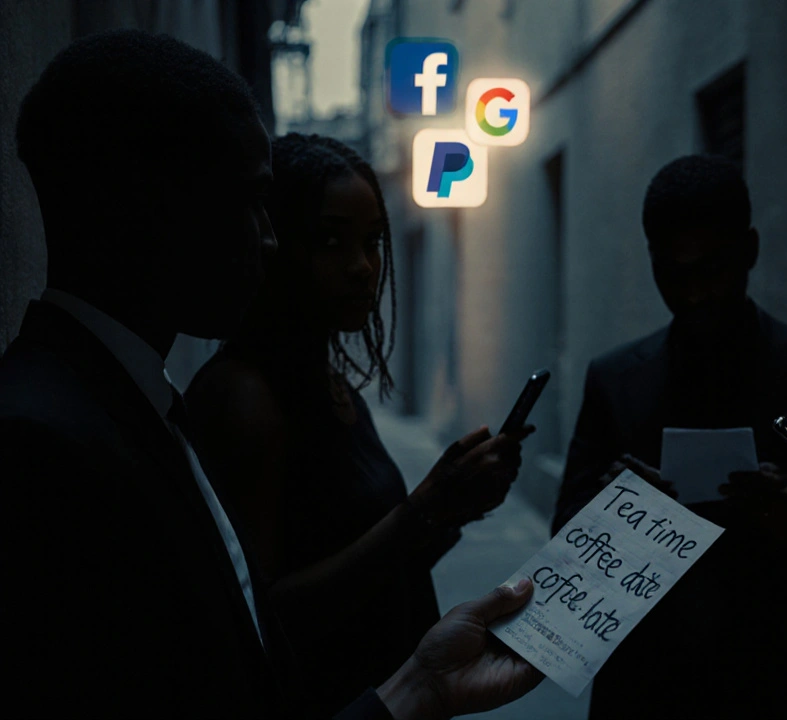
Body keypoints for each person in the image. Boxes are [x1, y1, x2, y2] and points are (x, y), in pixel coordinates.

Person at [0, 29, 540, 718]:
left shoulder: (138, 403)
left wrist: (422, 676)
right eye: (250, 200)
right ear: (147, 203)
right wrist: (421, 523)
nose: (268, 236)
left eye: (372, 242)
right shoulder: (39, 443)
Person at [182, 131, 534, 715]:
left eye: (372, 242)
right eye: (330, 241)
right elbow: (262, 618)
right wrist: (420, 511)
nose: (362, 267)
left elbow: (373, 575)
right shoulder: (245, 398)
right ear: (276, 242)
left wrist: (453, 509)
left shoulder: (331, 383)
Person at [555, 154, 787, 719]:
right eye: (672, 273)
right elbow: (565, 552)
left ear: (750, 250)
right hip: (645, 688)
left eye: (712, 268)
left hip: (779, 686)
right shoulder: (614, 380)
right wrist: (614, 514)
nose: (695, 292)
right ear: (651, 260)